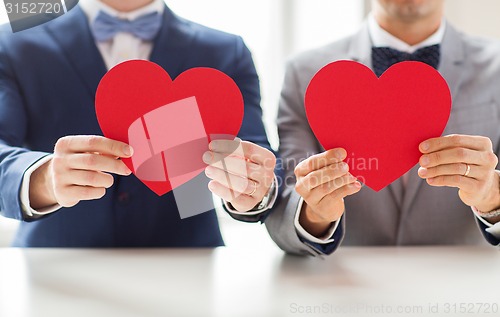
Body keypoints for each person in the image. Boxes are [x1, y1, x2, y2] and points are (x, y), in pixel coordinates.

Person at [0, 0, 278, 247]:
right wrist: (43, 178)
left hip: (187, 263)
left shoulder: (227, 52)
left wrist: (252, 187)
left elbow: (261, 159)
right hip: (53, 265)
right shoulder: (13, 45)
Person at [266, 0, 500, 256]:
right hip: (345, 285)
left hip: (468, 282)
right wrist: (315, 214)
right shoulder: (304, 72)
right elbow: (284, 206)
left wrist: (492, 198)